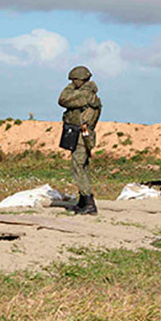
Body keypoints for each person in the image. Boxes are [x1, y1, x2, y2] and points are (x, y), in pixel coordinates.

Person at [58, 65, 102, 215]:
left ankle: (89, 203)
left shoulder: (84, 95)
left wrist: (71, 86)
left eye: (74, 80)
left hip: (81, 135)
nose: (72, 82)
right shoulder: (89, 94)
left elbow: (62, 100)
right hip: (83, 135)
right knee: (83, 166)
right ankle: (83, 201)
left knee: (78, 167)